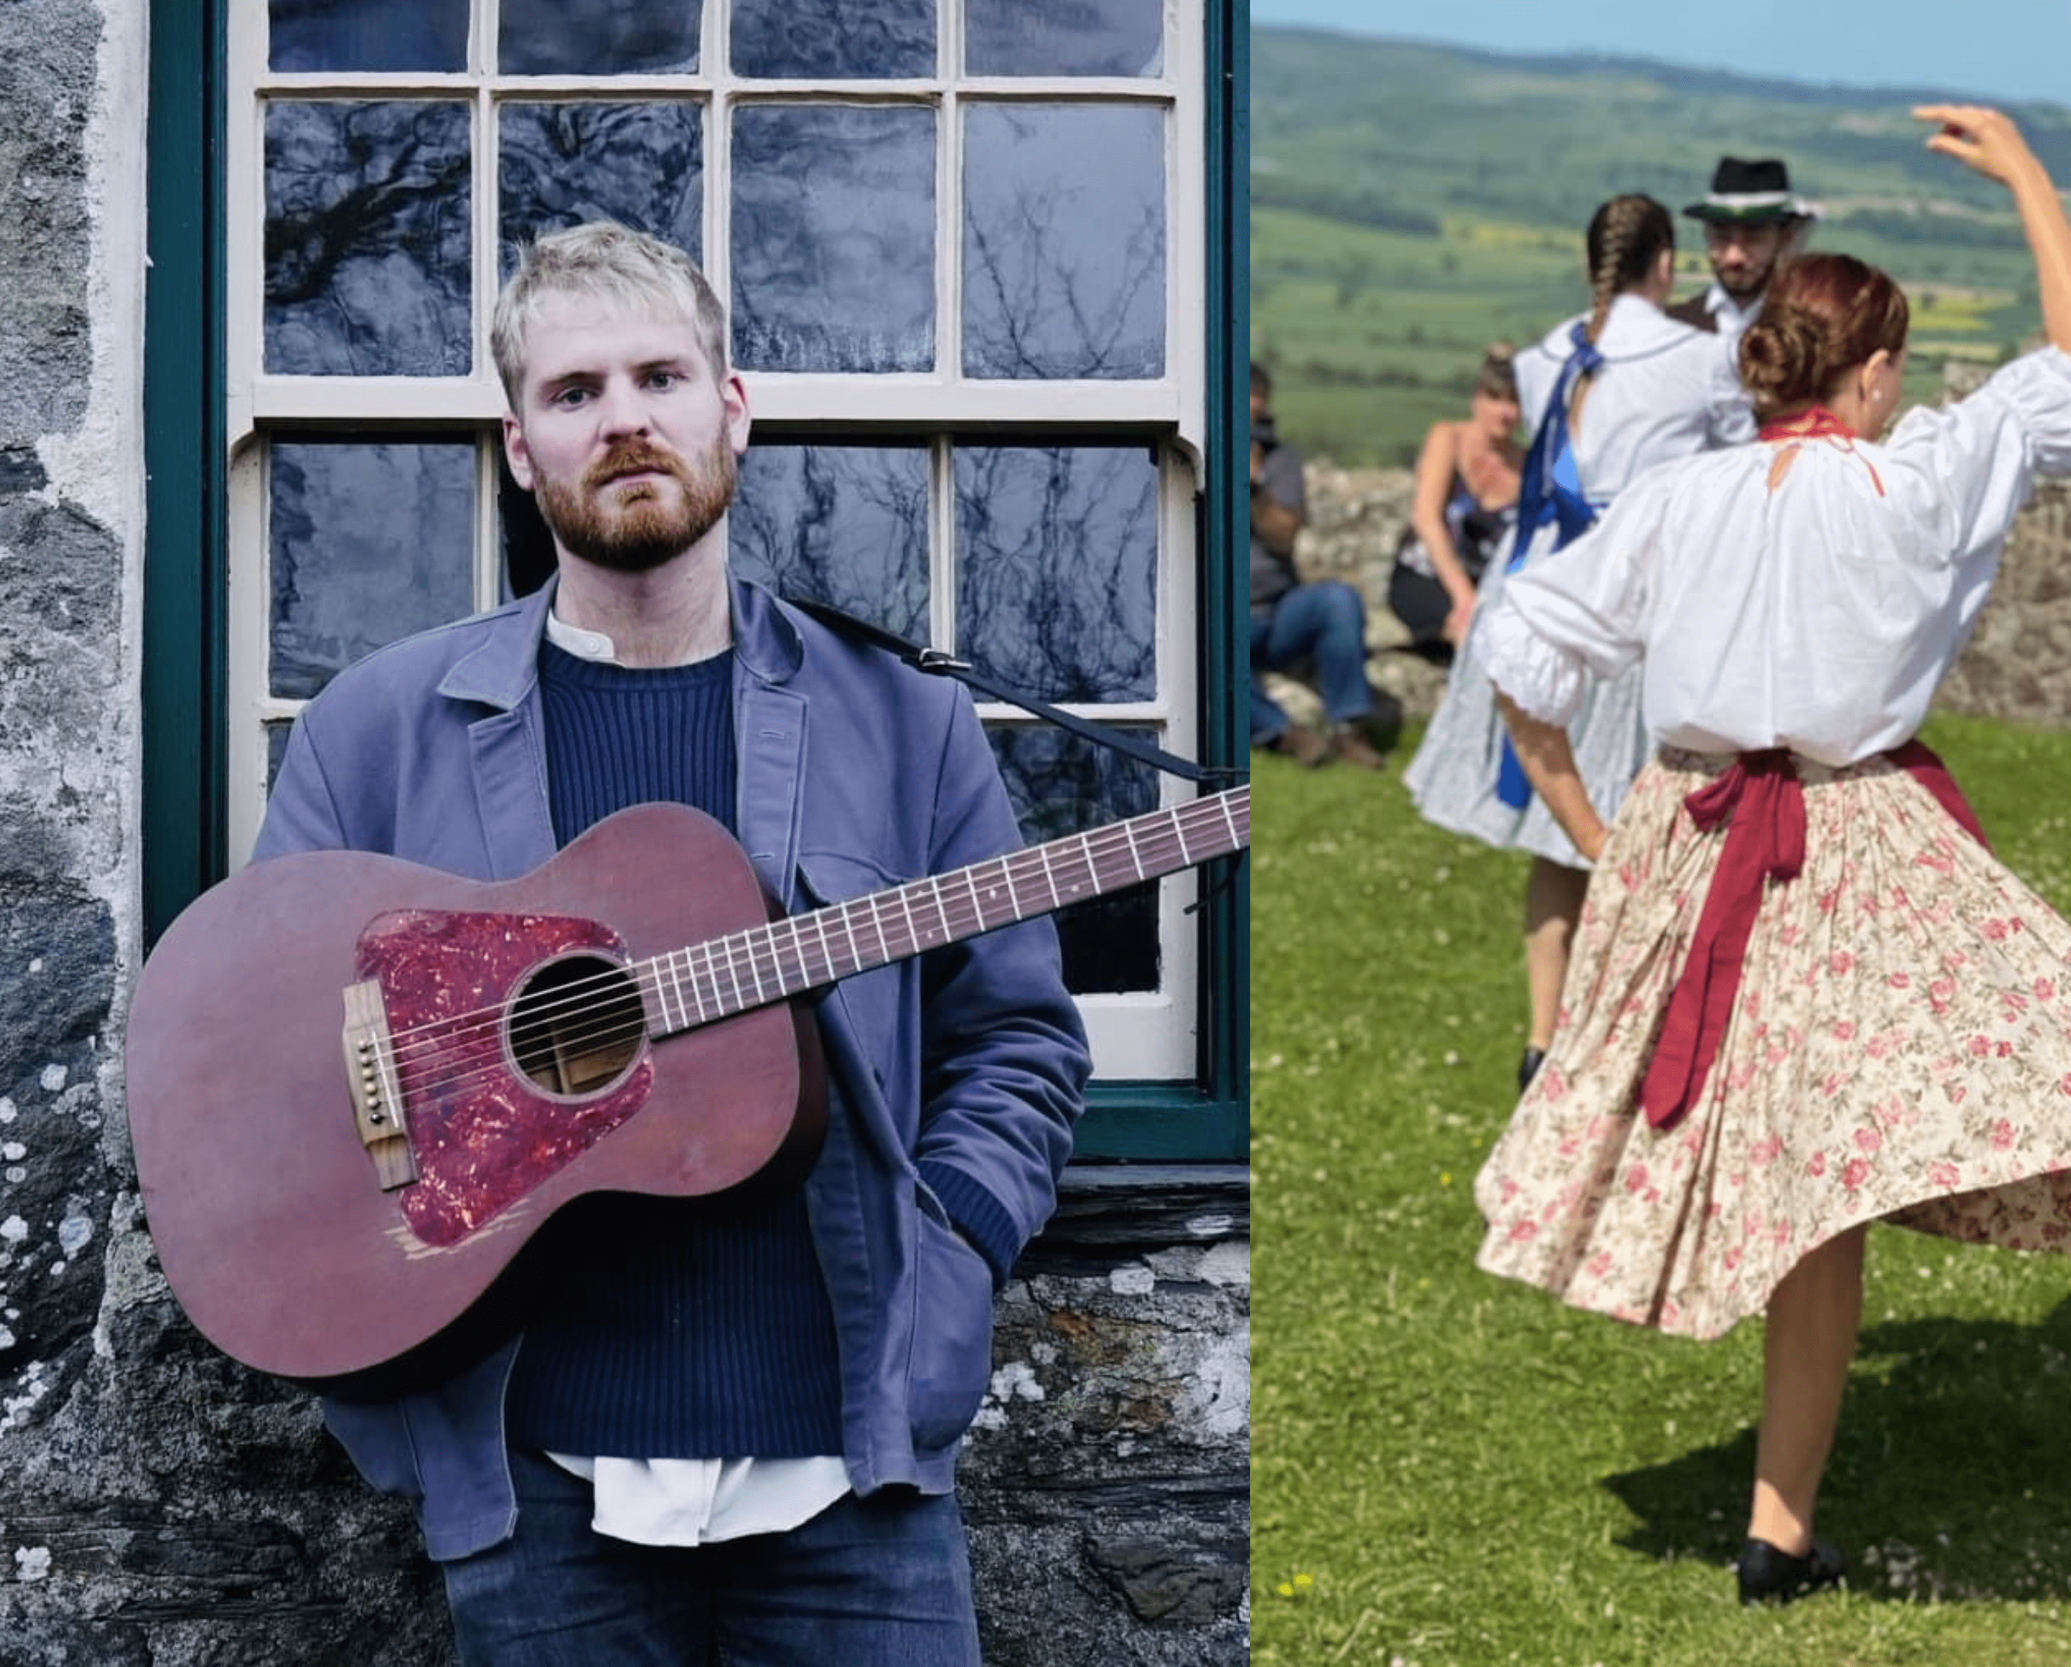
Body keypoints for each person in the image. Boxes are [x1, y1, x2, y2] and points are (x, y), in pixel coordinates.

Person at [253, 221, 1091, 1663]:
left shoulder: (903, 717)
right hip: (533, 1467)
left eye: (661, 375)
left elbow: (1015, 1034)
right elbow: (270, 1048)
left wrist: (950, 1244)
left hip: (852, 1459)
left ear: (733, 407)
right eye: (576, 392)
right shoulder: (374, 732)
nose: (625, 418)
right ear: (522, 449)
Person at [1466, 109, 2071, 1606]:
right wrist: (2024, 175)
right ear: (1873, 373)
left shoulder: (1680, 498)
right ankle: (1777, 1523)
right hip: (1855, 844)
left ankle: (1776, 1523)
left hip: (1687, 840)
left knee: (1784, 1172)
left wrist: (1603, 837)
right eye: (1897, 368)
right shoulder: (1921, 477)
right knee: (1897, 1152)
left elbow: (1519, 650)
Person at [1405, 193, 1753, 1091]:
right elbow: (1736, 467)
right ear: (1667, 264)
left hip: (1532, 598)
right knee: (1642, 823)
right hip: (1633, 603)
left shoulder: (1540, 357)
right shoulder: (1702, 357)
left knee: (1557, 836)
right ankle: (1635, 1035)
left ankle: (1543, 1038)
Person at [1248, 360, 1384, 769]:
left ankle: (1348, 729)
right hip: (1224, 618)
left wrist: (1252, 484)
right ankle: (1285, 734)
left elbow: (1283, 535)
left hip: (1278, 609)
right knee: (1204, 654)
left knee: (1338, 600)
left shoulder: (1280, 461)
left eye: (1261, 413)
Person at [1384, 342, 1523, 656]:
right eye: (1495, 398)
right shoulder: (1447, 437)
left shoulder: (1527, 468)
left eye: (1515, 401)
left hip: (1490, 586)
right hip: (1428, 575)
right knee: (1473, 630)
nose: (1506, 412)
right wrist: (1464, 596)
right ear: (1476, 398)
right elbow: (1426, 519)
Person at [1667, 156, 1818, 345]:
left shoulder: (1807, 332)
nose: (1734, 257)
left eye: (1753, 238)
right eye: (1722, 237)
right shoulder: (1673, 327)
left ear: (1784, 238)